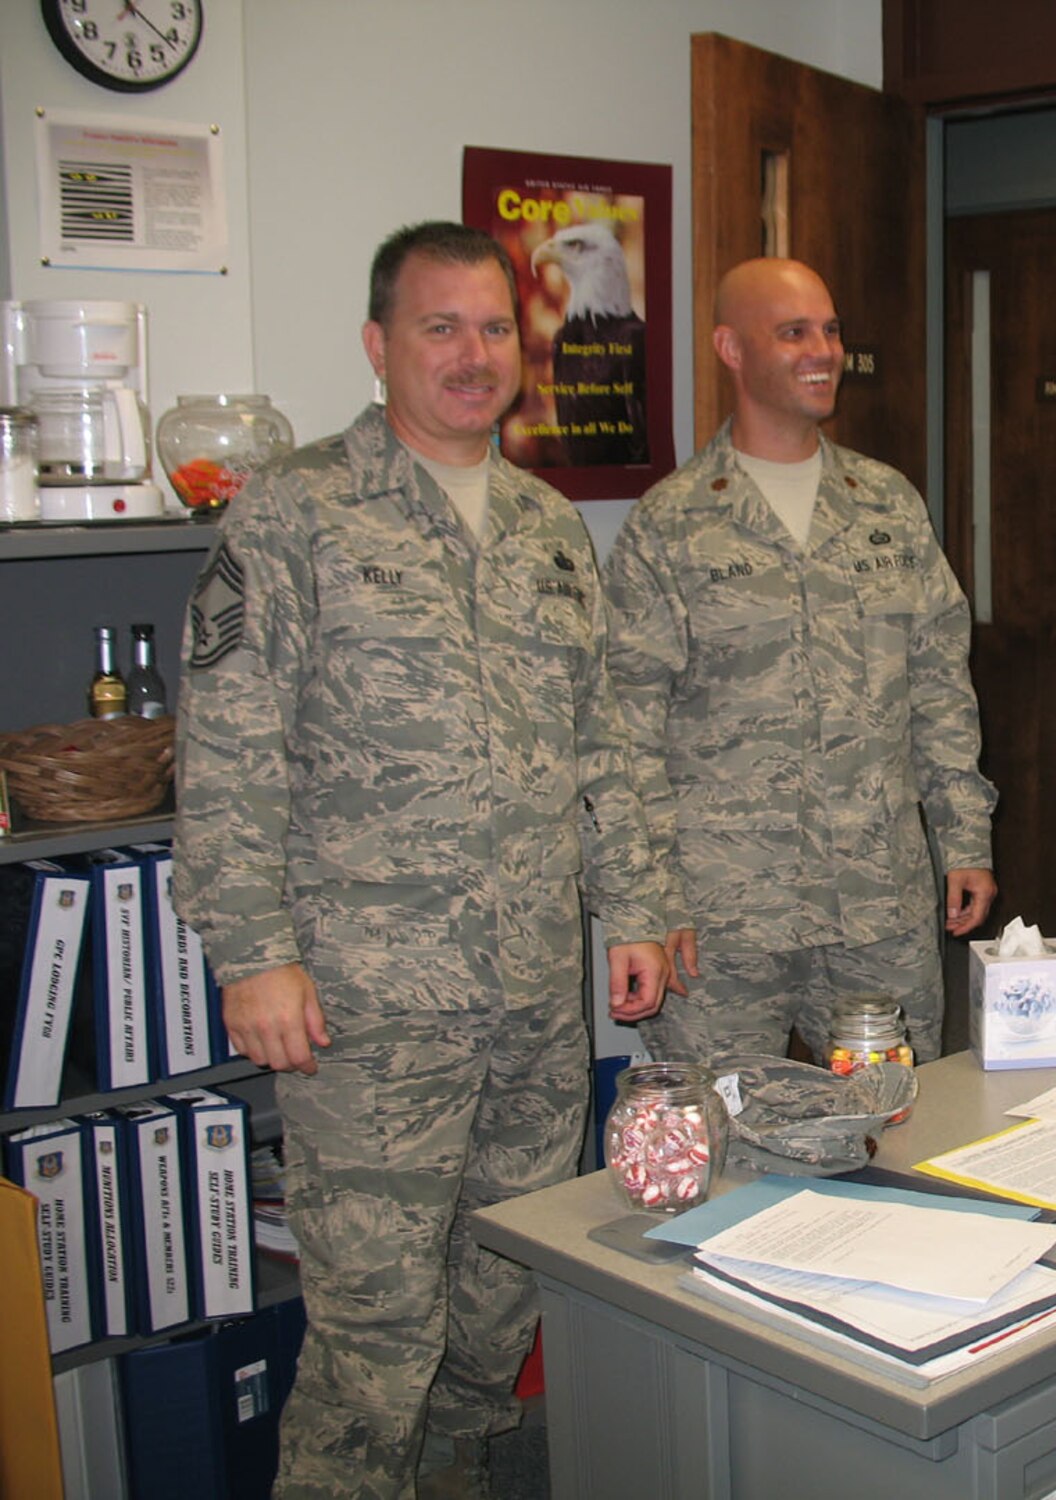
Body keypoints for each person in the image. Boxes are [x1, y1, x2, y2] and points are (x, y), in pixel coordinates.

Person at [175, 221, 690, 1499]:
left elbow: (599, 741)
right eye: (439, 327)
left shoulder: (546, 528)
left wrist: (632, 906)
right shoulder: (296, 513)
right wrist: (254, 956)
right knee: (371, 1331)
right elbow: (228, 751)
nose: (473, 356)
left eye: (494, 329)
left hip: (529, 993)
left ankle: (457, 1479)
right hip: (367, 1009)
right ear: (378, 346)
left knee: (502, 1283)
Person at [605, 257, 997, 1066]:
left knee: (896, 1126)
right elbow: (625, 734)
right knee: (718, 1138)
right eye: (793, 332)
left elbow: (938, 687)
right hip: (723, 914)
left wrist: (965, 839)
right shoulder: (671, 524)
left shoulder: (887, 503)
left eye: (830, 329)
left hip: (878, 896)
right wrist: (648, 904)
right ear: (730, 348)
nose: (823, 350)